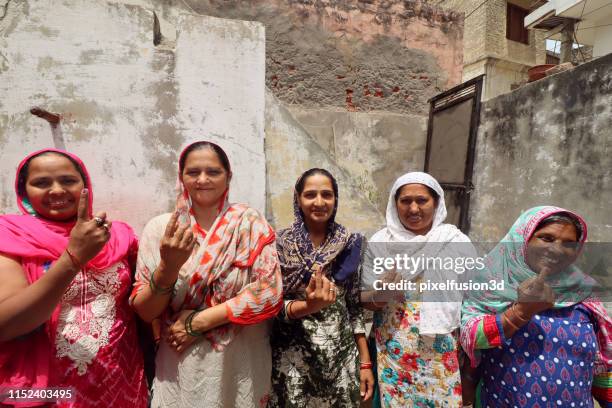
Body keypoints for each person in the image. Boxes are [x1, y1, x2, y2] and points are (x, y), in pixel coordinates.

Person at [130, 141, 283, 408]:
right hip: (181, 365)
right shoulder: (162, 230)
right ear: (181, 178)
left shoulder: (249, 223)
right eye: (193, 172)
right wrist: (168, 267)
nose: (202, 180)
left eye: (213, 172)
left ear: (228, 177)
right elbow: (146, 311)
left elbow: (269, 293)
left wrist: (199, 321)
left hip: (240, 361)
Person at [0, 148, 147, 407]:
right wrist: (73, 256)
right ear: (24, 192)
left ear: (85, 185)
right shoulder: (11, 236)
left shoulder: (119, 237)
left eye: (68, 180)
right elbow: (6, 325)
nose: (56, 190)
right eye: (41, 183)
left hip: (120, 382)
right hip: (49, 392)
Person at [460, 206, 612, 408]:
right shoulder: (492, 284)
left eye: (569, 243)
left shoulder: (585, 293)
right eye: (546, 238)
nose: (556, 249)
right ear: (523, 239)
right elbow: (469, 338)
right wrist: (522, 312)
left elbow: (603, 368)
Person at [361, 172, 473, 407]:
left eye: (422, 200)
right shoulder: (380, 243)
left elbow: (472, 298)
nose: (413, 208)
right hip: (395, 351)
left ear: (436, 202)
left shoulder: (454, 242)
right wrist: (381, 295)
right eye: (405, 201)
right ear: (395, 203)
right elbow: (364, 299)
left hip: (441, 352)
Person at [268, 168, 375, 407]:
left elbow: (354, 308)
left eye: (327, 194)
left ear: (336, 199)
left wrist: (365, 362)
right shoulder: (279, 244)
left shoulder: (350, 244)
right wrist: (308, 306)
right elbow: (272, 307)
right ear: (298, 198)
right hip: (293, 363)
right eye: (310, 195)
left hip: (341, 361)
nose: (319, 202)